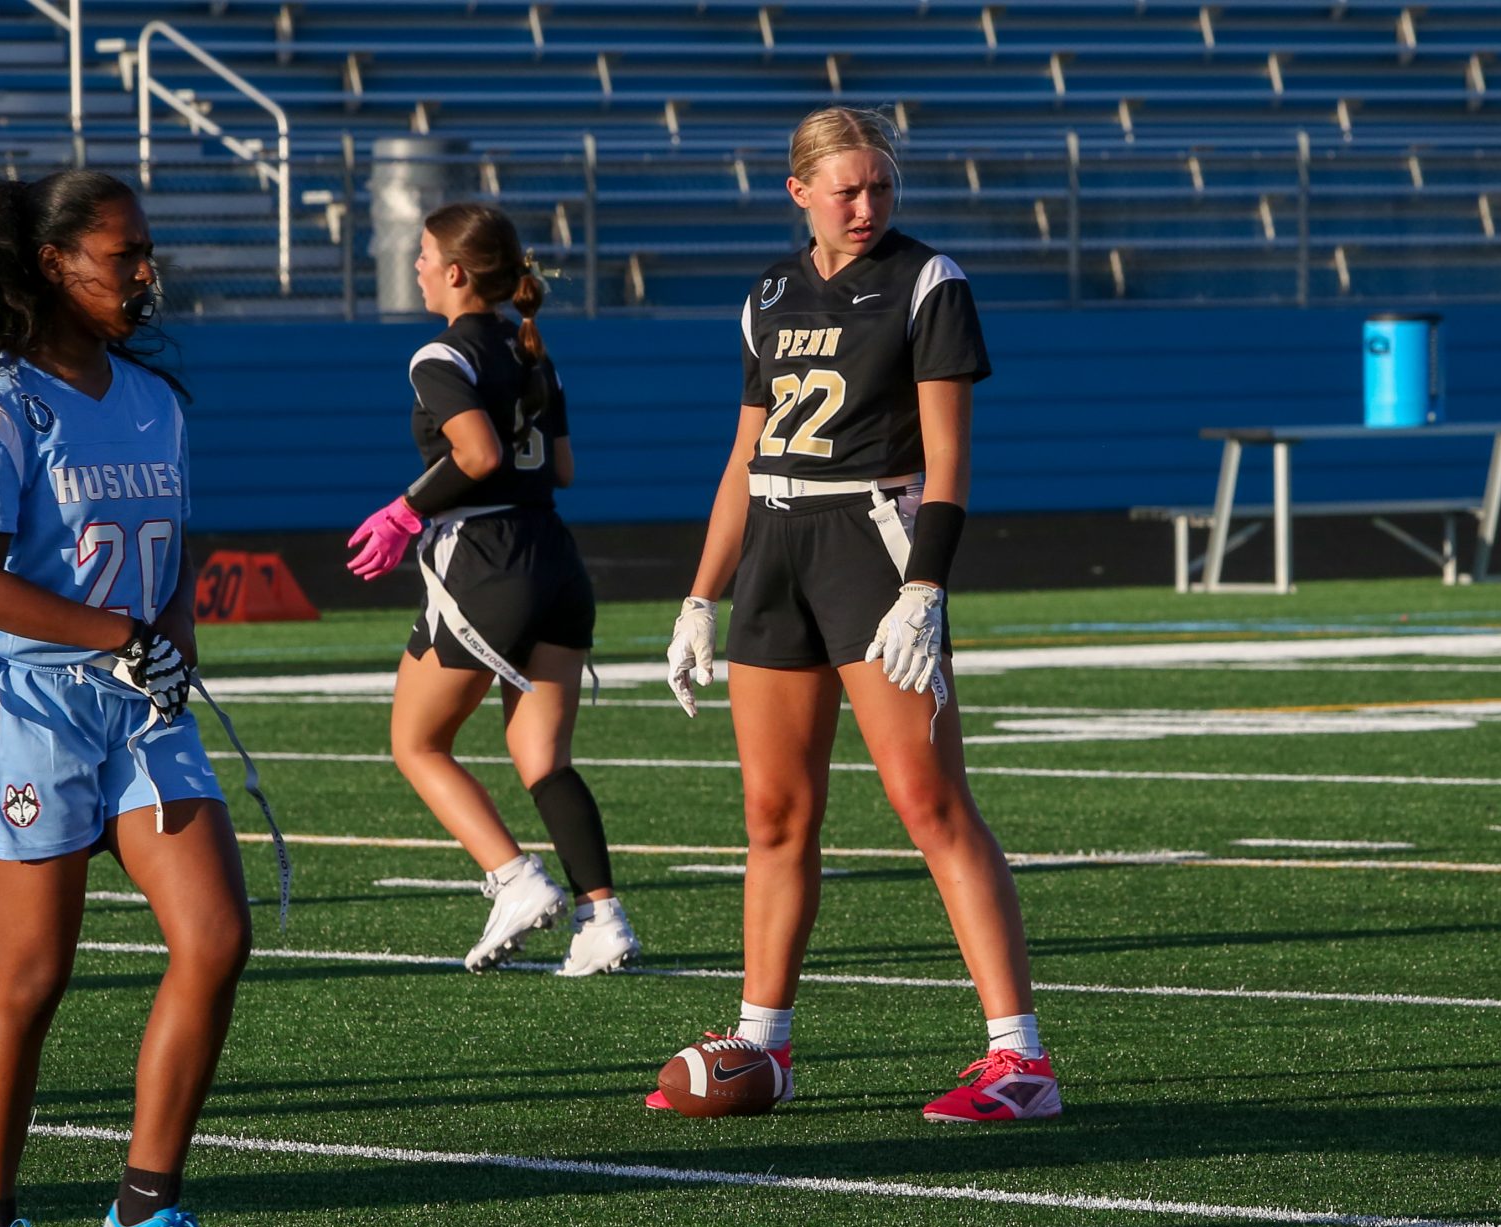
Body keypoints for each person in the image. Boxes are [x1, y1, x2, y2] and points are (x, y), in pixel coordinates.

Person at [653, 107, 1062, 1124]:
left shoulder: (929, 281)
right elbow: (745, 457)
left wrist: (926, 586)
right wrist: (700, 595)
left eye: (881, 184)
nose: (868, 204)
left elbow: (949, 459)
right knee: (774, 815)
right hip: (775, 550)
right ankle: (765, 1043)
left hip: (871, 544)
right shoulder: (768, 294)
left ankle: (1021, 1058)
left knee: (930, 802)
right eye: (848, 189)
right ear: (799, 192)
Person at [0, 170, 253, 1227]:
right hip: (27, 706)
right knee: (33, 974)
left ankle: (144, 1214)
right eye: (125, 254)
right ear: (53, 263)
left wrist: (171, 642)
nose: (146, 271)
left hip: (138, 706)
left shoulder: (154, 398)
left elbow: (170, 555)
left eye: (146, 249)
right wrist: (117, 632)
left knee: (216, 937)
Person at [344, 202, 639, 978]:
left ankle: (514, 879)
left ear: (455, 272)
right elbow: (561, 468)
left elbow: (476, 454)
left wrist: (404, 510)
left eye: (423, 254)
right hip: (555, 558)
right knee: (543, 758)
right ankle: (601, 917)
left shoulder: (440, 355)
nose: (415, 266)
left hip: (486, 560)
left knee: (417, 743)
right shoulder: (533, 348)